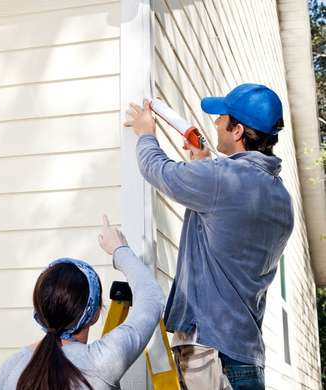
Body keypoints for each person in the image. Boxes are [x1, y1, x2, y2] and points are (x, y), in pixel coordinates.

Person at [124, 83, 295, 390]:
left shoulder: (221, 179)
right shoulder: (280, 197)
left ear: (238, 130)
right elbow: (229, 229)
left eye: (221, 118)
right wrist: (202, 165)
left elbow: (157, 170)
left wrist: (146, 132)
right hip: (246, 356)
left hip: (211, 354)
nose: (215, 123)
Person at [0, 215, 165, 389]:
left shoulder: (10, 368)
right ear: (95, 313)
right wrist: (119, 249)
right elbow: (151, 297)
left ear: (40, 309)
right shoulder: (100, 361)